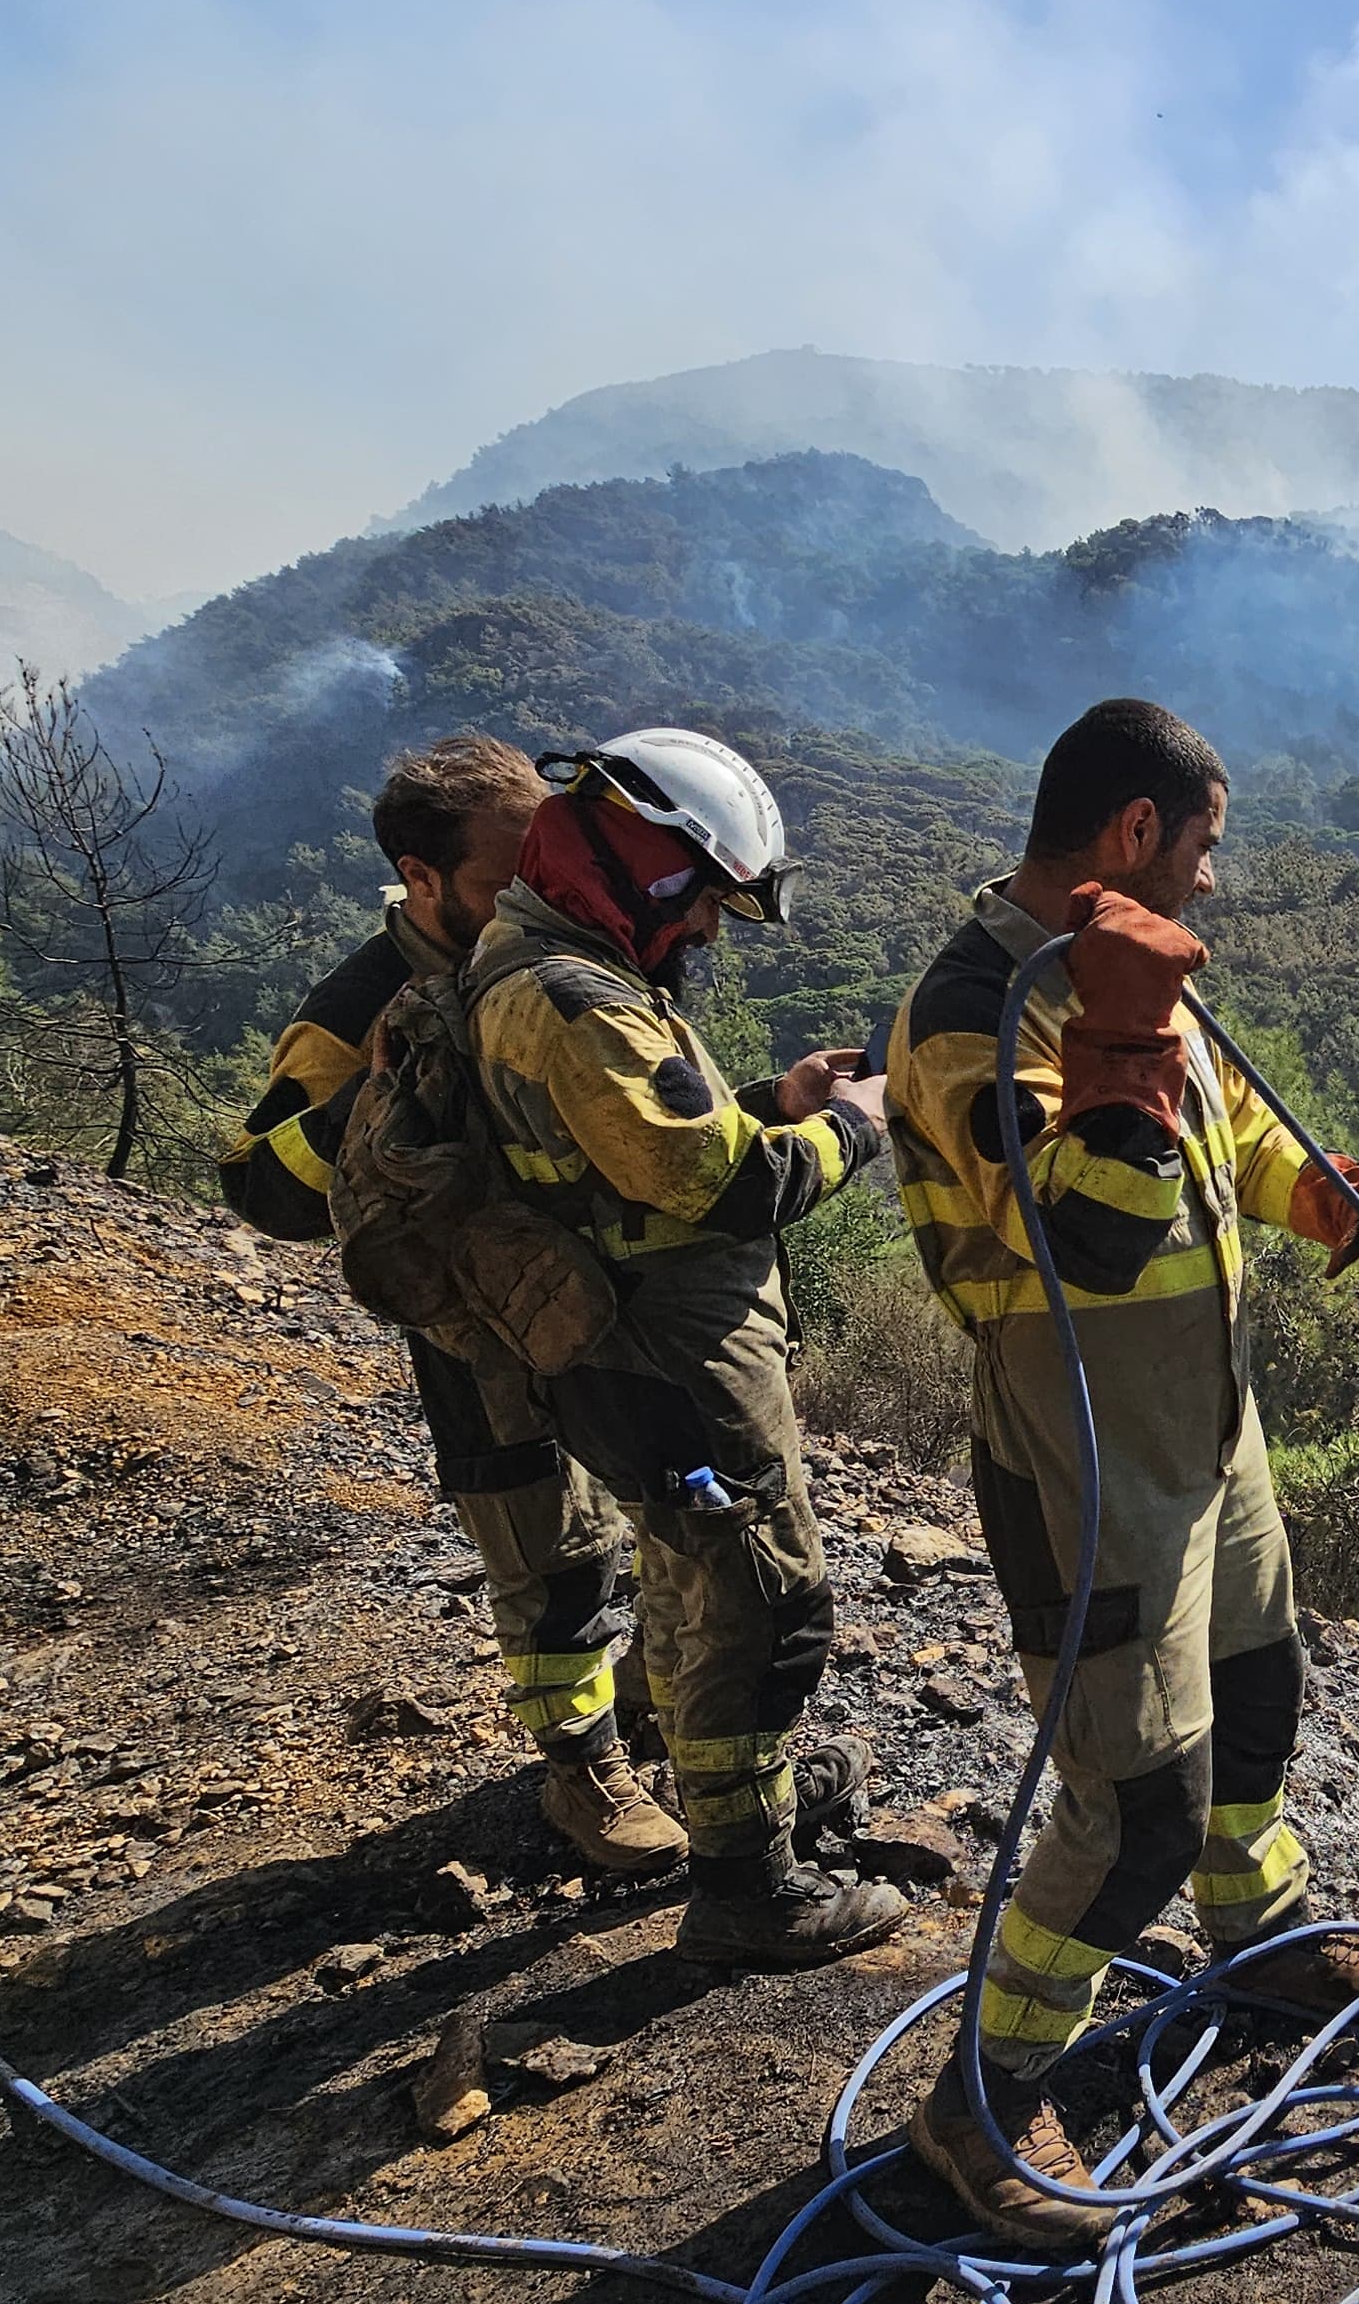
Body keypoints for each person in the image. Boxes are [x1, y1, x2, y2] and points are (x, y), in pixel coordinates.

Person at [887, 697, 1359, 2245]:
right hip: (1086, 1462)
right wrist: (1123, 1035)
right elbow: (1087, 1226)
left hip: (1209, 1432)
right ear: (1137, 833)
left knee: (1262, 1688)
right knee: (1135, 1801)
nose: (1214, 881)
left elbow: (1225, 1148)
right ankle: (988, 2097)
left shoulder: (1128, 974)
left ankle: (1258, 1933)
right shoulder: (976, 1011)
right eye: (1205, 846)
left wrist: (1344, 1205)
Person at [465, 726, 913, 1968]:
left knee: (689, 1573)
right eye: (708, 900)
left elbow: (637, 1148)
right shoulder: (574, 997)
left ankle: (733, 1800)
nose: (711, 932)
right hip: (671, 1344)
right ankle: (746, 1887)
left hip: (625, 1338)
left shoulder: (544, 962)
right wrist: (856, 1130)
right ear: (651, 865)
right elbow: (709, 1186)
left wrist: (776, 1099)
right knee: (766, 1603)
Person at [221, 736, 677, 1876]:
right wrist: (385, 1092)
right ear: (421, 879)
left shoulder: (558, 947)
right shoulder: (359, 1007)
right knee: (548, 1549)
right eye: (498, 880)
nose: (528, 895)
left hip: (606, 1301)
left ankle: (660, 1706)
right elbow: (258, 1182)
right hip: (479, 1333)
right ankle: (584, 1774)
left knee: (682, 1510)